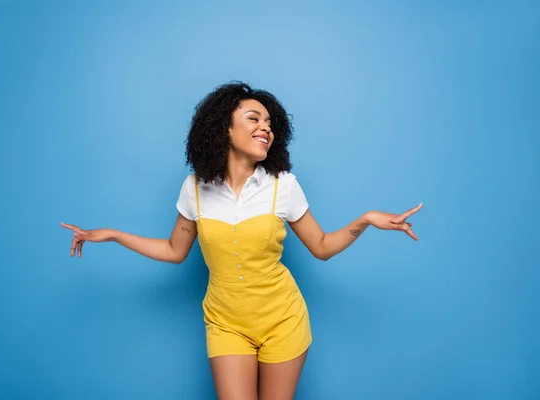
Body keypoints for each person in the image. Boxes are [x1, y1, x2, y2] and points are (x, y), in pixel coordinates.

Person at [61, 82, 422, 400]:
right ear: (223, 127)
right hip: (225, 322)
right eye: (254, 118)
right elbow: (174, 251)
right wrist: (112, 235)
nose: (265, 128)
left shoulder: (284, 185)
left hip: (283, 320)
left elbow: (322, 247)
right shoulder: (195, 189)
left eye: (269, 123)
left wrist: (366, 221)